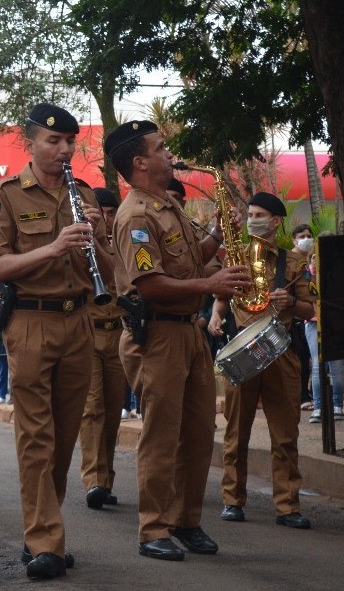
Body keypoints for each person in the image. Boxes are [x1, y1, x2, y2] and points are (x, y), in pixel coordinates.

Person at [0, 103, 115, 580]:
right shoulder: (6, 194)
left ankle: (43, 526)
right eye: (53, 142)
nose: (63, 150)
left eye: (69, 142)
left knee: (64, 433)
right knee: (36, 435)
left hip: (80, 322)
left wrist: (96, 240)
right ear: (30, 143)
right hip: (32, 323)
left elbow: (112, 271)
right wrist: (55, 246)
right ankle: (46, 541)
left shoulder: (82, 193)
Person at [105, 120, 250, 561]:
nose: (170, 155)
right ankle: (153, 528)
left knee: (198, 433)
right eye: (161, 148)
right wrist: (212, 286)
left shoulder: (167, 203)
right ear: (140, 162)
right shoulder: (135, 216)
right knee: (162, 436)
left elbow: (191, 262)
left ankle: (187, 521)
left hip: (187, 330)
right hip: (159, 335)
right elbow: (149, 284)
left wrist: (221, 234)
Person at [209, 193, 315, 529]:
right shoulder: (237, 258)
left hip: (280, 352)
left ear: (276, 221)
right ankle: (232, 499)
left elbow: (310, 309)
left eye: (260, 214)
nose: (253, 218)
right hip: (244, 350)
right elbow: (221, 296)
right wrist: (215, 314)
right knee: (236, 431)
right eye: (250, 213)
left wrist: (289, 304)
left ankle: (287, 506)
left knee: (285, 433)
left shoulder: (294, 263)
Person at [78, 186, 129, 510]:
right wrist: (91, 234)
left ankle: (106, 479)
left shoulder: (122, 242)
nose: (107, 219)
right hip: (88, 333)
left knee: (112, 411)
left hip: (118, 335)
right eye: (103, 213)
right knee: (92, 409)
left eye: (111, 213)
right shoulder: (80, 240)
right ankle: (93, 480)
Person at [295, 229, 344, 421]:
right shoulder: (308, 270)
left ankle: (337, 405)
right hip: (313, 323)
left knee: (337, 366)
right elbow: (310, 293)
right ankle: (318, 406)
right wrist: (314, 270)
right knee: (317, 365)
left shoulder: (341, 269)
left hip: (336, 321)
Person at [290, 223, 314, 409]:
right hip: (295, 320)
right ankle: (301, 395)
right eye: (302, 236)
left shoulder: (310, 262)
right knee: (301, 359)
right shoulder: (291, 261)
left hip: (310, 317)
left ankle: (307, 393)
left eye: (308, 236)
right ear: (294, 240)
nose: (306, 239)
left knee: (309, 358)